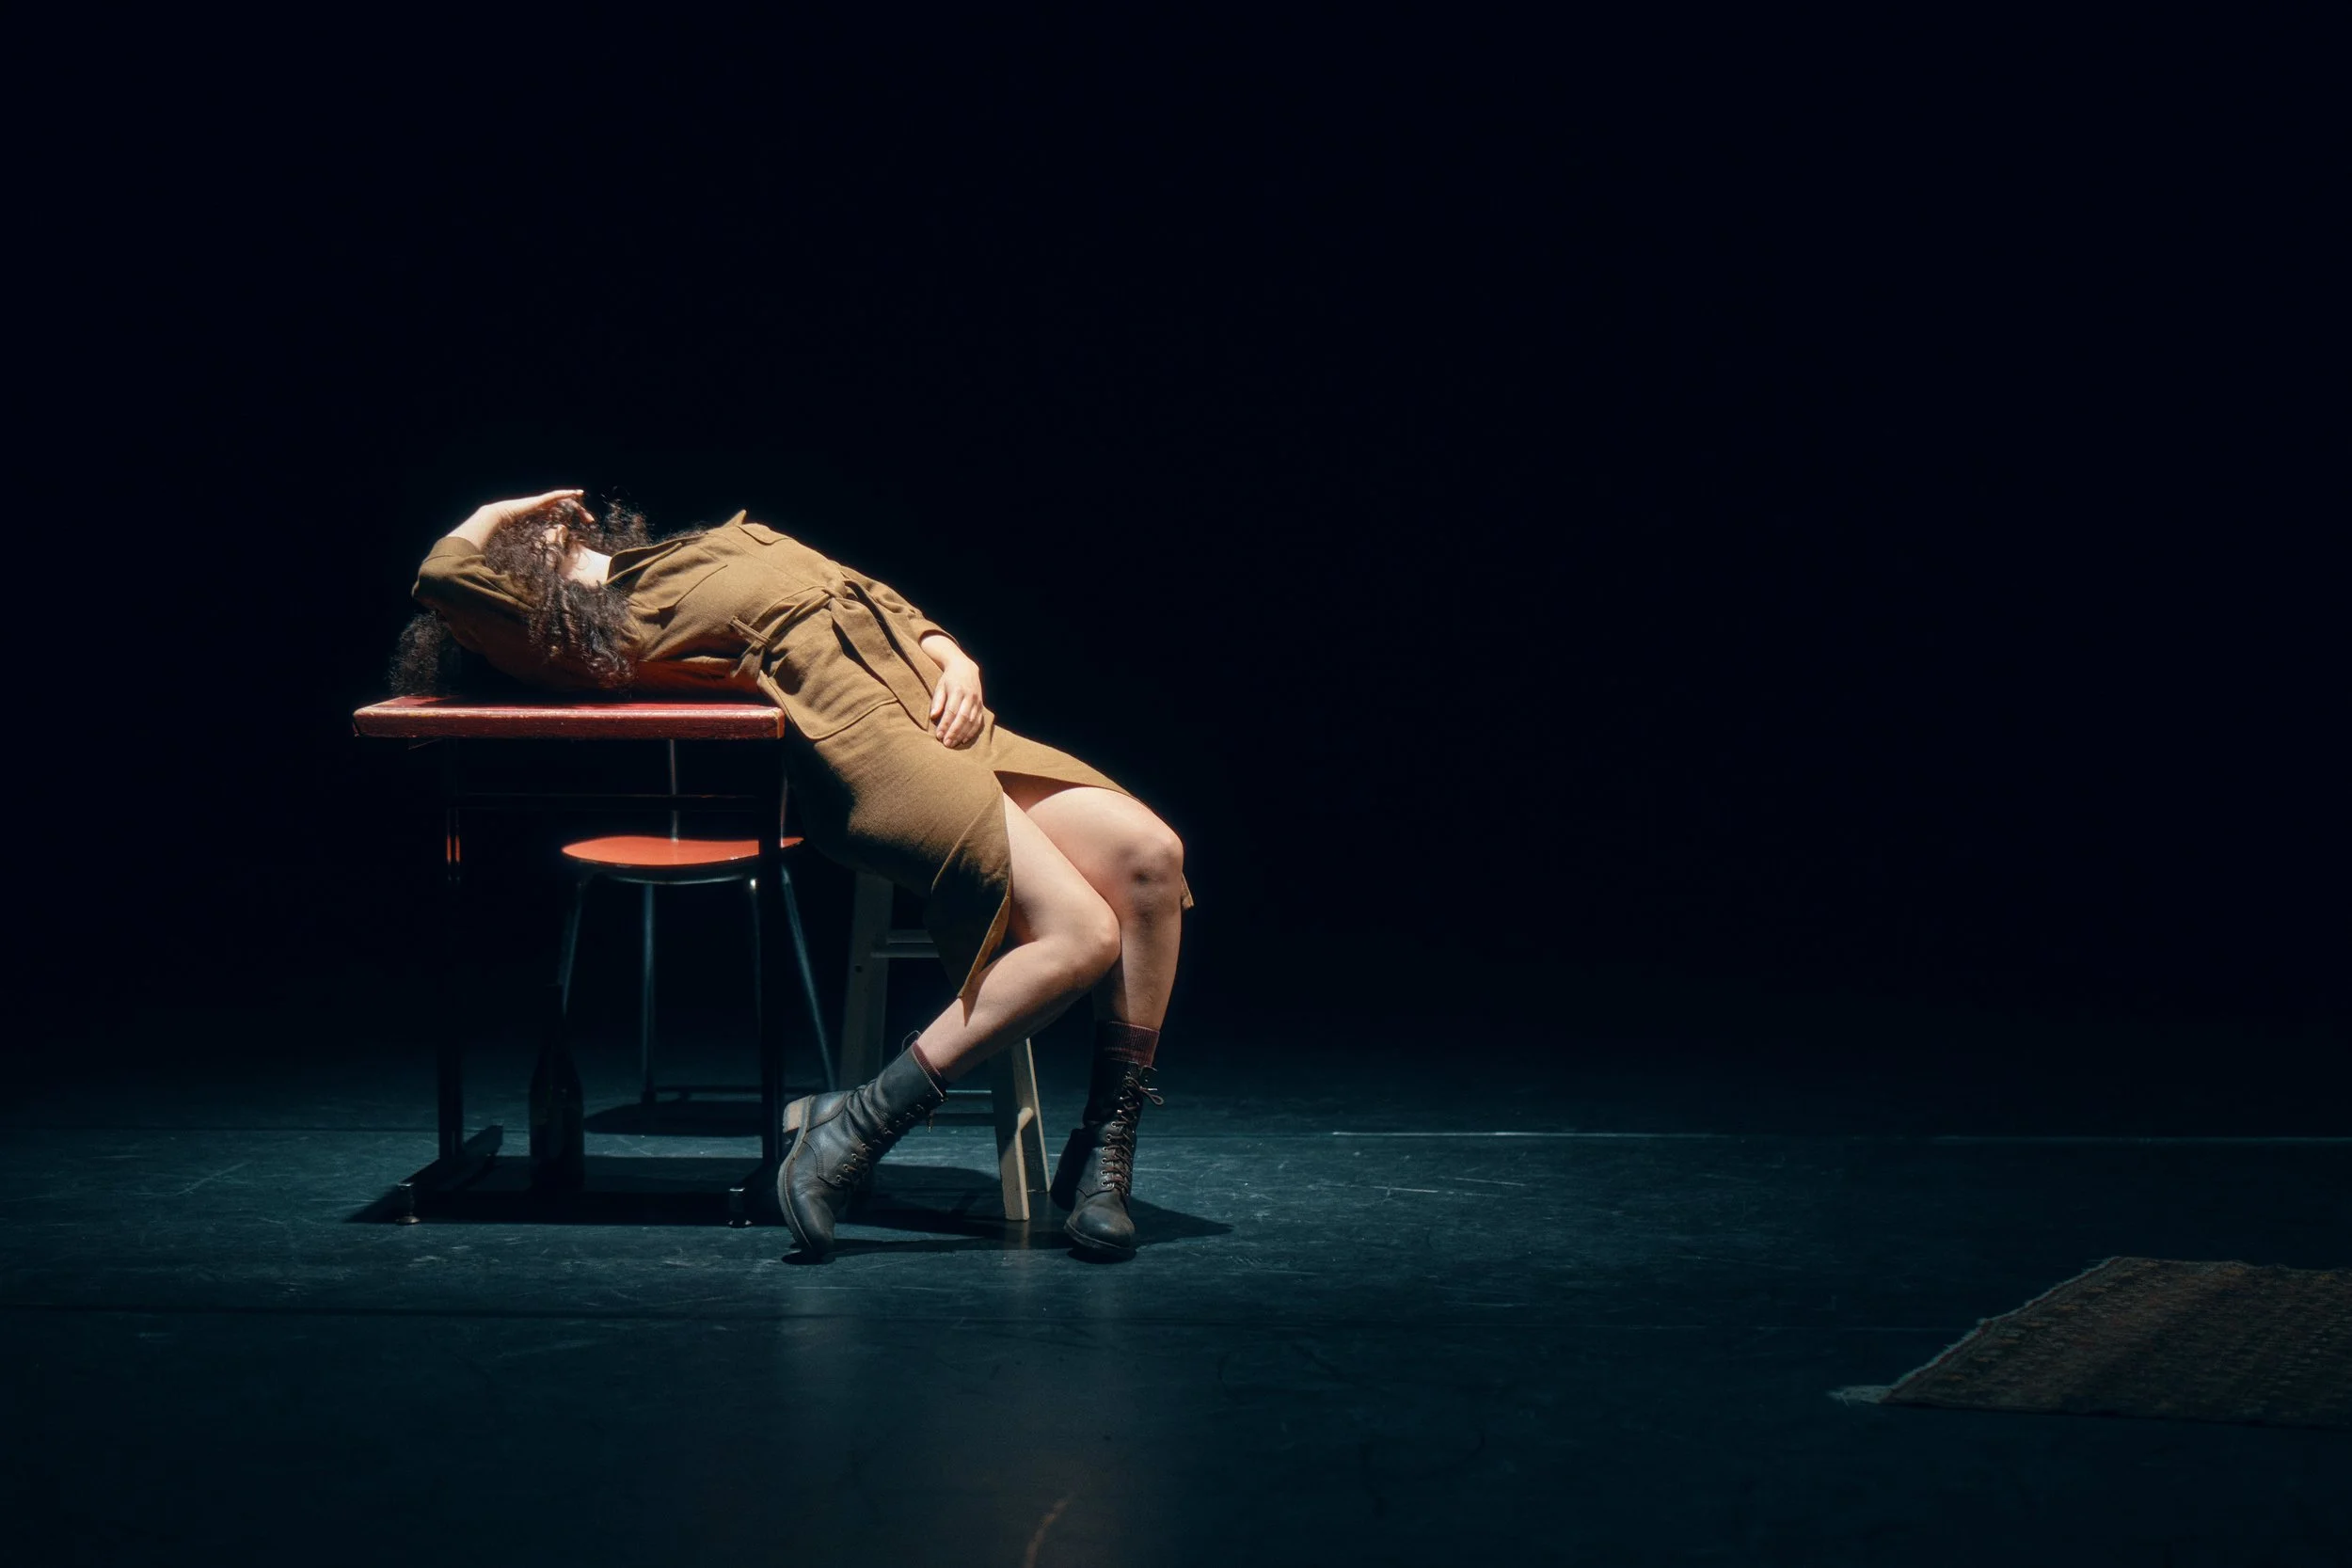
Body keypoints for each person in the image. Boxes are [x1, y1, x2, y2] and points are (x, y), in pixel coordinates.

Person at [401, 489, 1192, 1259]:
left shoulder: (722, 541)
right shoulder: (598, 630)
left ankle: (1102, 1147)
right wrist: (494, 513)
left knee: (1152, 859)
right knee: (1082, 933)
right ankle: (855, 1130)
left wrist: (953, 654)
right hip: (868, 750)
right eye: (526, 539)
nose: (549, 527)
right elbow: (444, 579)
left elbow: (865, 590)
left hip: (945, 719)